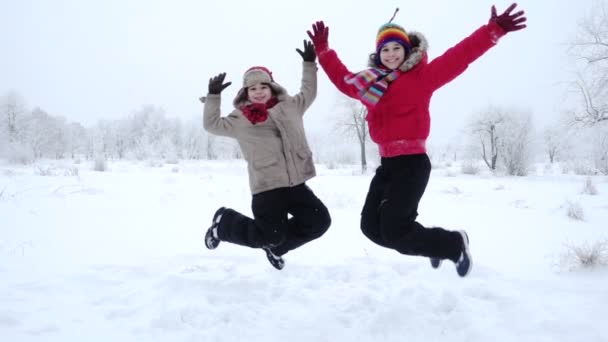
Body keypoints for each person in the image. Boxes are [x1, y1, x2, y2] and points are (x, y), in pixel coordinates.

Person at [307, 4, 527, 277]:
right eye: (385, 50)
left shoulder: (422, 77)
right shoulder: (371, 84)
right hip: (387, 166)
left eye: (396, 48)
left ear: (407, 50)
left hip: (412, 164)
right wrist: (324, 52)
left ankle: (453, 244)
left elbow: (459, 56)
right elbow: (342, 79)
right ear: (378, 55)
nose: (390, 54)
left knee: (394, 230)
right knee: (371, 228)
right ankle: (436, 245)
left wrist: (492, 31)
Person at [200, 40, 331, 270]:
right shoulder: (239, 119)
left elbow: (309, 91)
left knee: (319, 221)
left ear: (272, 88)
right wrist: (213, 97)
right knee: (269, 234)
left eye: (263, 87)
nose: (259, 92)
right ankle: (224, 224)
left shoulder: (291, 106)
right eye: (253, 89)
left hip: (295, 183)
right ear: (246, 93)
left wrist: (309, 63)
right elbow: (211, 124)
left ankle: (277, 248)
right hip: (267, 186)